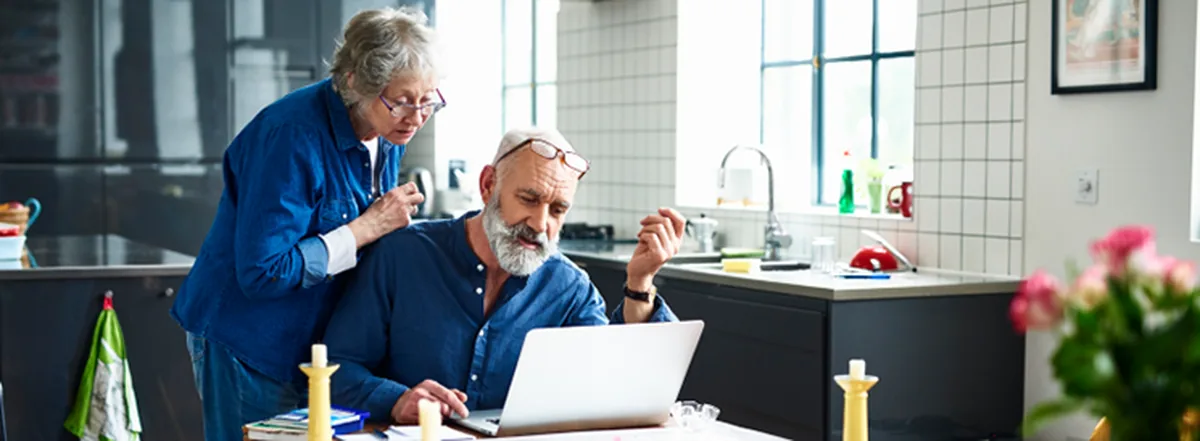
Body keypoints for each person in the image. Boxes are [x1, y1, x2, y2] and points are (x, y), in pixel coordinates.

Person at [169, 7, 444, 440]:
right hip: (249, 342)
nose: (417, 116)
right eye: (403, 101)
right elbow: (264, 271)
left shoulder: (388, 129)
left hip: (311, 346)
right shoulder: (291, 135)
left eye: (428, 99)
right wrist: (367, 227)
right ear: (355, 83)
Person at [322, 127, 687, 423]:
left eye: (557, 210)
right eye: (529, 199)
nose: (540, 224)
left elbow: (614, 386)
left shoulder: (569, 288)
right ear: (488, 185)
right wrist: (397, 399)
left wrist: (640, 284)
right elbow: (334, 370)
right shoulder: (401, 255)